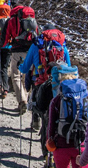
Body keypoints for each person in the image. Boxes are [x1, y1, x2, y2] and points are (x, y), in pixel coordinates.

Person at [19, 23, 70, 157]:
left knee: (45, 120)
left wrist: (20, 67)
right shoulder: (62, 46)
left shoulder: (37, 44)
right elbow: (68, 68)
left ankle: (47, 155)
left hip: (41, 84)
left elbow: (25, 68)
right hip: (59, 86)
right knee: (57, 119)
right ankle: (55, 152)